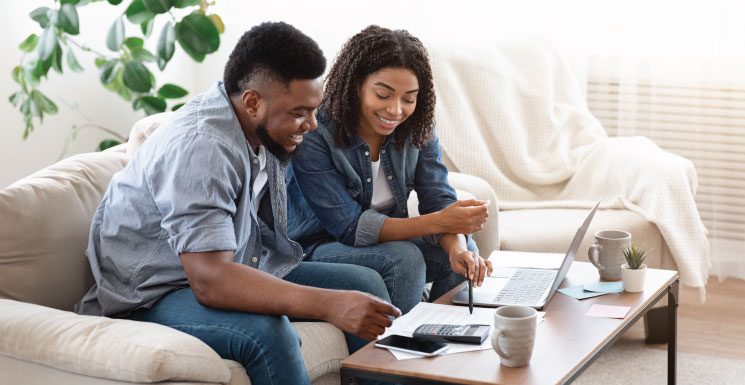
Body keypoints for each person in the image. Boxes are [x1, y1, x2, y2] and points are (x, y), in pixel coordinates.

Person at [74, 22, 400, 385]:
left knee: (364, 284)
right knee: (267, 331)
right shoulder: (203, 147)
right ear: (252, 101)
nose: (311, 124)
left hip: (235, 261)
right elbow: (211, 279)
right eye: (299, 112)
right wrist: (329, 304)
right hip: (153, 293)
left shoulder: (260, 127)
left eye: (314, 110)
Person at [287, 25, 493, 315]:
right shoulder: (316, 130)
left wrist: (458, 247)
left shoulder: (417, 129)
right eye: (383, 95)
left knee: (461, 249)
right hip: (315, 248)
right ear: (356, 83)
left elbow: (438, 198)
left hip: (377, 245)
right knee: (405, 258)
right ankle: (399, 353)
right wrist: (440, 221)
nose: (396, 110)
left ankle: (446, 340)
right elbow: (349, 227)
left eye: (408, 99)